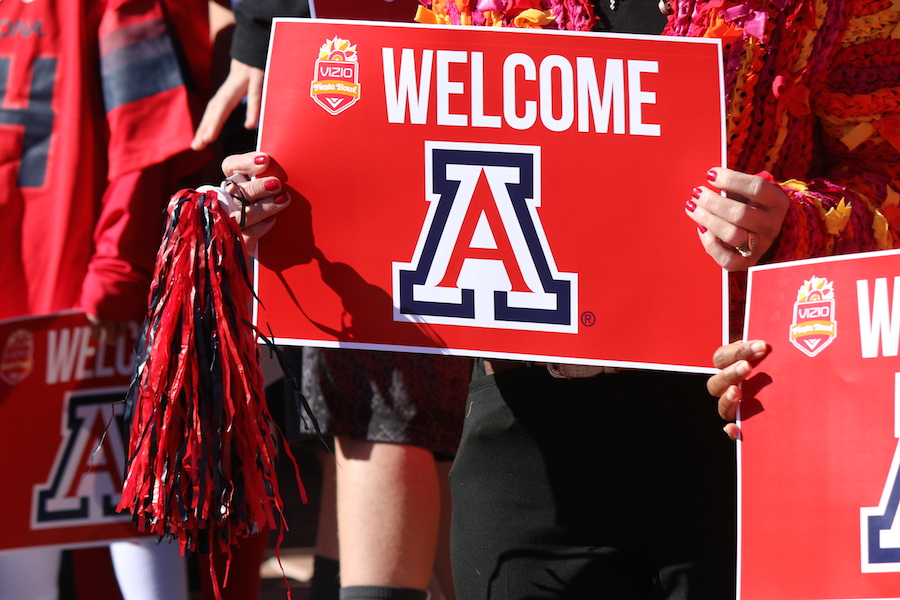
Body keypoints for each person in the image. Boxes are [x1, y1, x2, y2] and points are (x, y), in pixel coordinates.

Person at [410, 0, 900, 598]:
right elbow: (408, 149)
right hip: (528, 425)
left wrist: (790, 225)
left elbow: (887, 176)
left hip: (740, 413)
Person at [191, 4, 470, 600]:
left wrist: (263, 24)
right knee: (381, 406)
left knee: (409, 408)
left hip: (467, 71)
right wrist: (264, 27)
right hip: (360, 65)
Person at [0, 1, 212, 599]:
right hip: (35, 289)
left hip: (79, 293)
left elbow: (144, 136)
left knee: (127, 494)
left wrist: (117, 268)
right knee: (16, 500)